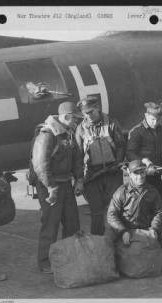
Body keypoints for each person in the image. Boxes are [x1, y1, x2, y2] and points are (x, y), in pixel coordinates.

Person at [32, 101, 84, 273]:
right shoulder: (47, 134)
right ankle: (44, 262)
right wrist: (51, 188)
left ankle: (69, 257)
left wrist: (79, 180)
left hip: (65, 184)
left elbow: (77, 157)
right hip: (50, 186)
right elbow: (40, 164)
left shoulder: (68, 132)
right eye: (76, 118)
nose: (78, 122)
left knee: (72, 223)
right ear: (67, 117)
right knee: (51, 225)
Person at [75, 95, 126, 236]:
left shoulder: (112, 123)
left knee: (115, 210)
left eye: (90, 112)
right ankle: (98, 242)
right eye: (85, 113)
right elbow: (78, 155)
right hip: (92, 176)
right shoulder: (80, 129)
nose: (88, 116)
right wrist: (79, 179)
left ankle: (118, 240)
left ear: (97, 108)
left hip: (112, 174)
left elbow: (121, 145)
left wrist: (118, 163)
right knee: (96, 212)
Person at [107, 160, 162, 252]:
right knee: (109, 242)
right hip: (126, 227)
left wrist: (154, 229)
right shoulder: (121, 192)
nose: (140, 176)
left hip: (145, 228)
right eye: (136, 173)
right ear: (129, 173)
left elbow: (159, 212)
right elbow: (111, 215)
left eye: (142, 172)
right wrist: (123, 231)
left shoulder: (153, 191)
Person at [126, 102, 162, 200]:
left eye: (158, 120)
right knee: (142, 204)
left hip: (156, 173)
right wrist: (144, 162)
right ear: (146, 115)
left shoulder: (161, 131)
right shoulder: (136, 131)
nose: (155, 123)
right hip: (140, 175)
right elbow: (130, 153)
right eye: (152, 119)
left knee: (159, 202)